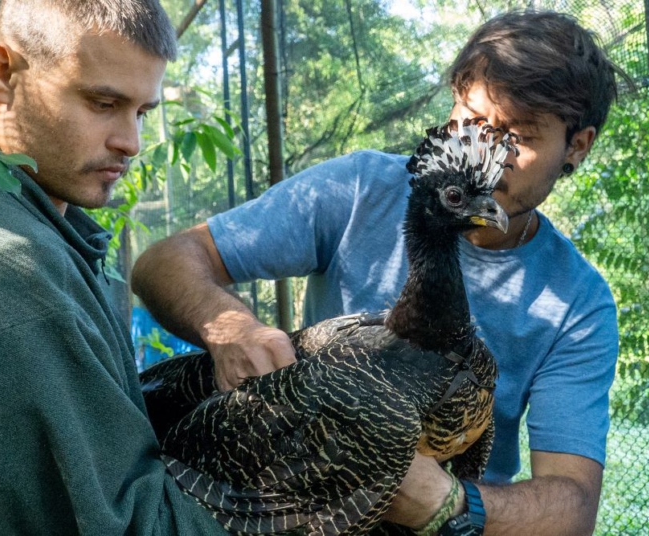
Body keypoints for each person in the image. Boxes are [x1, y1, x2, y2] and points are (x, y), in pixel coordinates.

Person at [132, 10, 621, 536]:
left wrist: (446, 503)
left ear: (577, 145)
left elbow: (572, 508)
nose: (488, 154)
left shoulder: (577, 304)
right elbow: (163, 262)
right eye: (474, 122)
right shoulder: (361, 187)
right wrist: (231, 326)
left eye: (517, 138)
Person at [0, 1, 226, 533]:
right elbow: (129, 523)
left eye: (141, 113)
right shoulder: (17, 266)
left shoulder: (54, 234)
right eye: (102, 102)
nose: (131, 143)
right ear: (3, 73)